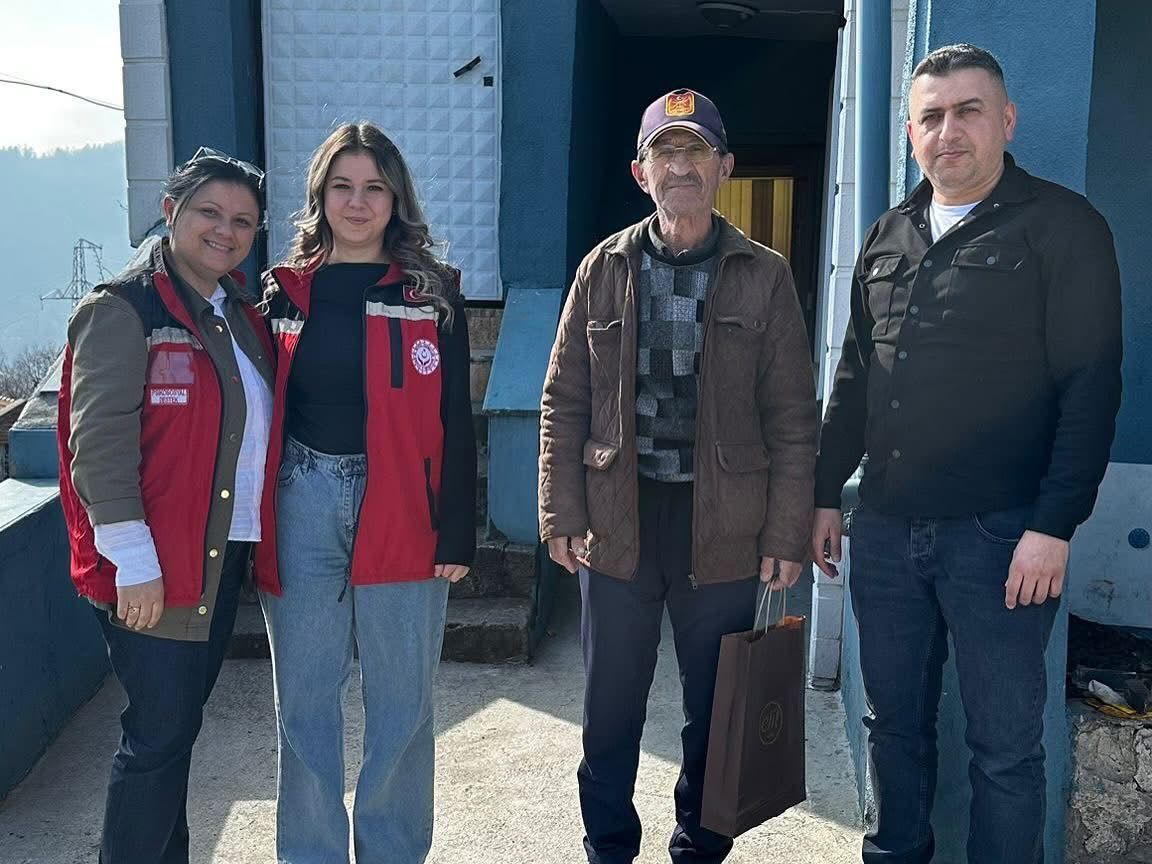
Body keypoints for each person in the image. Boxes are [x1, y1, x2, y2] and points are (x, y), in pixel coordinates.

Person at [811, 44, 1123, 864]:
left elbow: (1092, 388)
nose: (948, 131)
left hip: (1003, 537)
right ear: (912, 133)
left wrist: (1054, 526)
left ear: (1006, 120)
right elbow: (855, 376)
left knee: (1005, 750)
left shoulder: (1063, 228)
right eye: (931, 116)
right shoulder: (888, 235)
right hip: (885, 532)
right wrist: (823, 492)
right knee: (892, 726)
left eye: (968, 111)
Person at [539, 89, 818, 864]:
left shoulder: (764, 275)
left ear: (725, 167)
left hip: (724, 526)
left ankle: (700, 849)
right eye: (666, 152)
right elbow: (564, 398)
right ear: (642, 172)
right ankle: (609, 849)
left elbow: (793, 417)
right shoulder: (602, 269)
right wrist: (561, 510)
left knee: (718, 711)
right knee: (609, 713)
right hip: (617, 521)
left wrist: (785, 534)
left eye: (696, 151)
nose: (682, 166)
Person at [254, 121, 476, 864]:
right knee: (304, 703)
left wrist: (457, 528)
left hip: (405, 506)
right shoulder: (283, 293)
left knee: (403, 706)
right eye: (342, 186)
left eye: (374, 187)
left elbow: (455, 416)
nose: (358, 202)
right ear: (321, 196)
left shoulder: (432, 293)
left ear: (396, 198)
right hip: (303, 498)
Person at [58, 147, 274, 863]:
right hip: (152, 567)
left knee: (173, 736)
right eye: (209, 212)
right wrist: (134, 562)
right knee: (155, 740)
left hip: (217, 557)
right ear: (170, 211)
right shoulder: (124, 310)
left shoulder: (237, 313)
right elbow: (98, 446)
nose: (225, 230)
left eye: (242, 221)